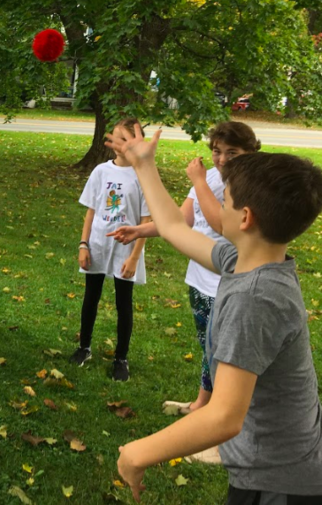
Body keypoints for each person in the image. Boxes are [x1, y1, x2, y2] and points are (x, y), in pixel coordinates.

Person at [111, 125, 322, 504]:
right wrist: (144, 165)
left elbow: (224, 416)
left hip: (280, 481)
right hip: (266, 467)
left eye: (224, 200)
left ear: (244, 218)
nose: (218, 206)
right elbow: (175, 227)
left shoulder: (255, 298)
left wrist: (138, 453)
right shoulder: (242, 262)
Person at [110, 122, 260, 412]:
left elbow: (222, 224)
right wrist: (140, 231)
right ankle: (202, 404)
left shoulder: (249, 183)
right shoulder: (212, 177)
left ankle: (221, 417)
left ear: (251, 151)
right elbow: (183, 220)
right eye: (217, 151)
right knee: (208, 349)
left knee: (223, 355)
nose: (223, 159)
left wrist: (198, 180)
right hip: (200, 277)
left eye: (233, 152)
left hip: (228, 282)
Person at [69, 118, 152, 382]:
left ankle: (121, 359)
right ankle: (84, 348)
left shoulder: (142, 175)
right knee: (90, 297)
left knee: (123, 303)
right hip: (97, 244)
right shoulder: (101, 171)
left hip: (125, 248)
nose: (118, 144)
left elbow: (145, 221)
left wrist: (134, 257)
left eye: (124, 139)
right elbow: (91, 211)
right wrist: (83, 244)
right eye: (115, 137)